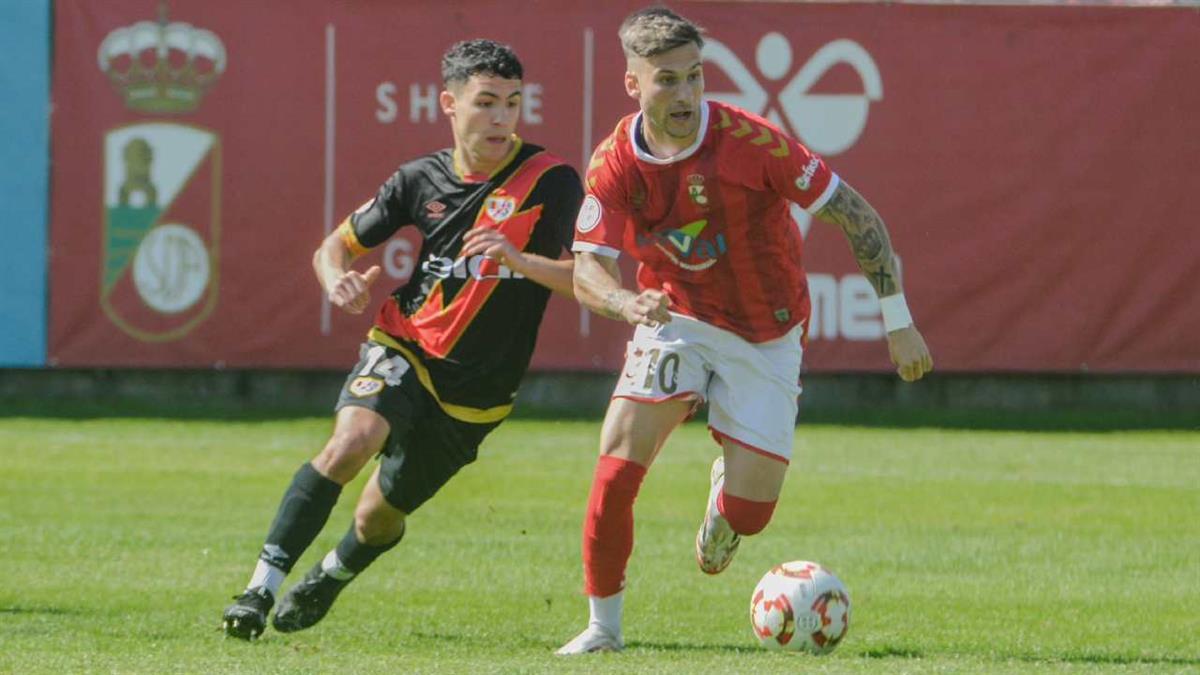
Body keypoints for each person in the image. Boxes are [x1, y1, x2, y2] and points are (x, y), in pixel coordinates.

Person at [556, 7, 933, 654]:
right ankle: (602, 627)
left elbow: (856, 215)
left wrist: (898, 322)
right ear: (633, 84)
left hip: (767, 332)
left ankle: (724, 505)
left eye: (694, 77)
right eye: (667, 80)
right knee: (616, 465)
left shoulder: (753, 143)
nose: (684, 94)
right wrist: (626, 304)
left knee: (752, 515)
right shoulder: (615, 161)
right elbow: (588, 265)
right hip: (674, 317)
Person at [221, 39, 582, 640]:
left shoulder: (551, 181)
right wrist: (337, 282)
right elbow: (332, 249)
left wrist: (520, 261)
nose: (501, 118)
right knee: (351, 441)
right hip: (405, 344)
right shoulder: (420, 178)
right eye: (486, 102)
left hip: (478, 394)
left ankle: (331, 575)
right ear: (450, 103)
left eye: (513, 103)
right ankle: (257, 590)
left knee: (378, 518)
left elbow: (595, 279)